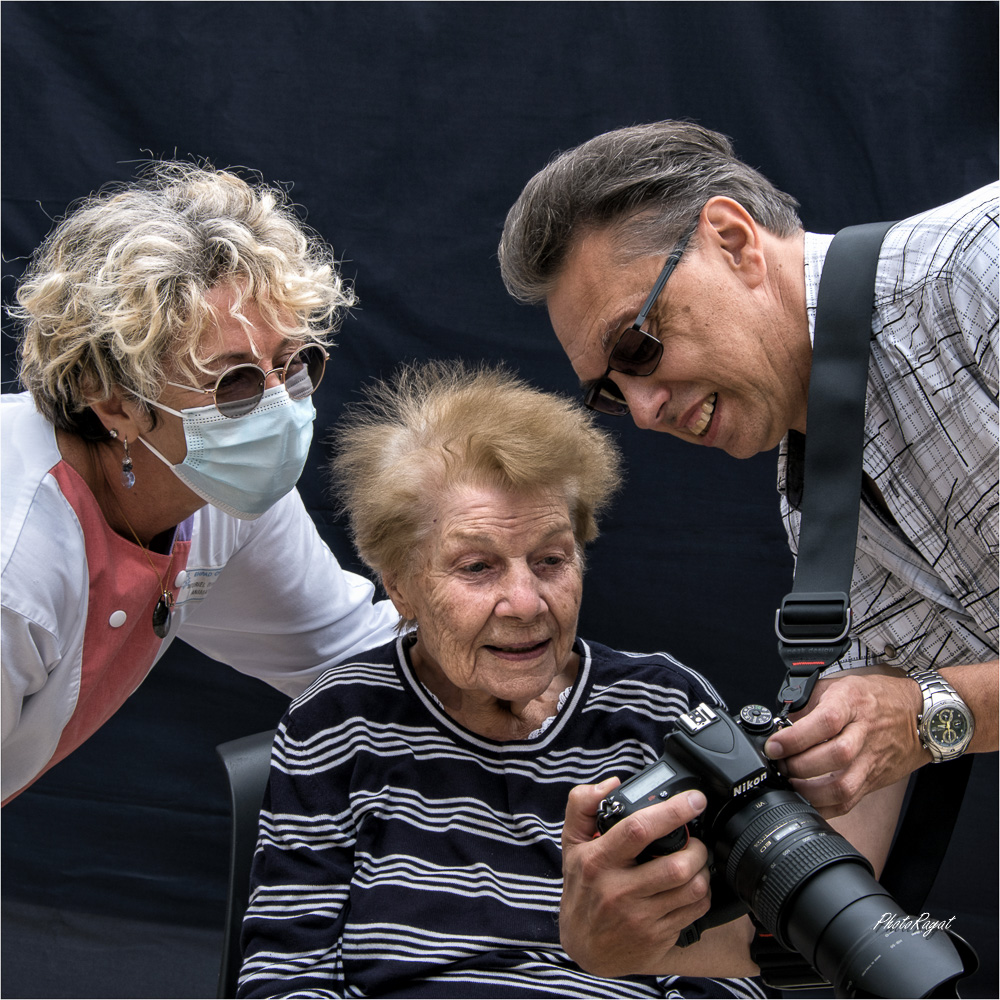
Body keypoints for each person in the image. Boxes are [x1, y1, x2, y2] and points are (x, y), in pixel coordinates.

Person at [497, 120, 997, 975]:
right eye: (609, 394)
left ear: (732, 240)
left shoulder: (979, 270)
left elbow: (920, 718)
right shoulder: (818, 511)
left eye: (637, 345)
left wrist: (934, 715)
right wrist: (635, 926)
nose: (643, 410)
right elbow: (845, 861)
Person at [240, 360, 823, 997]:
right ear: (400, 585)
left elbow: (735, 975)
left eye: (550, 559)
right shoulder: (337, 722)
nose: (526, 603)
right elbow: (284, 976)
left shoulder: (662, 707)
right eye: (477, 567)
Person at [1, 161, 399, 803]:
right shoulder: (13, 565)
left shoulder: (216, 490)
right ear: (115, 403)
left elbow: (351, 657)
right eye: (234, 382)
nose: (280, 407)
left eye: (293, 364)